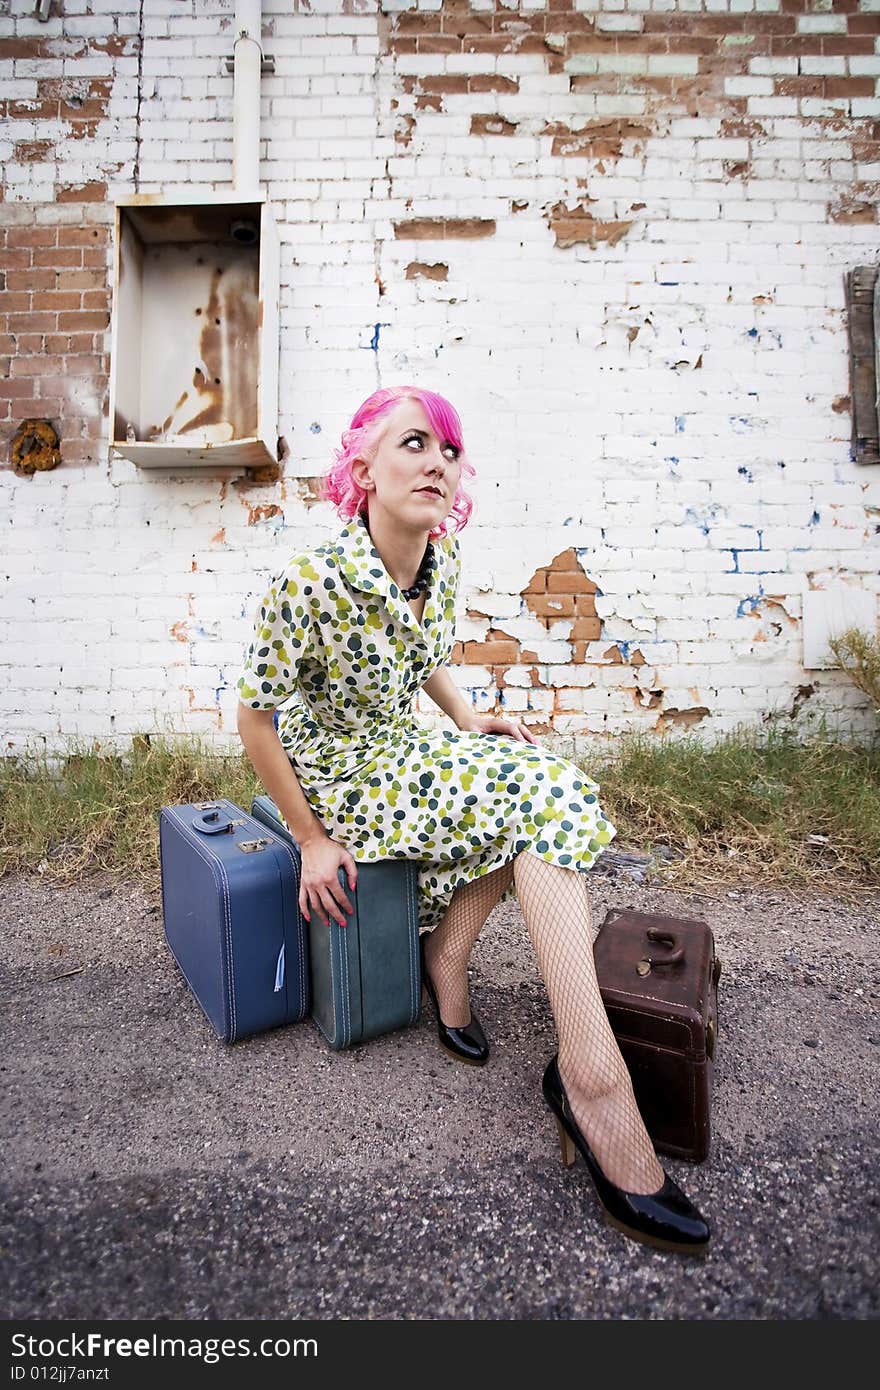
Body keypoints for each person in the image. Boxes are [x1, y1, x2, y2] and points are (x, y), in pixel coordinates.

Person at [235, 384, 710, 1255]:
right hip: (340, 770)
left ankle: (450, 960)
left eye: (449, 451)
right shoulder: (307, 583)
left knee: (536, 791)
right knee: (542, 794)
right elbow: (254, 719)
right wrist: (309, 840)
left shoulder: (440, 559)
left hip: (400, 747)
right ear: (361, 469)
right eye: (414, 444)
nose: (437, 463)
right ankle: (593, 1084)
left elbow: (424, 656)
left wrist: (464, 720)